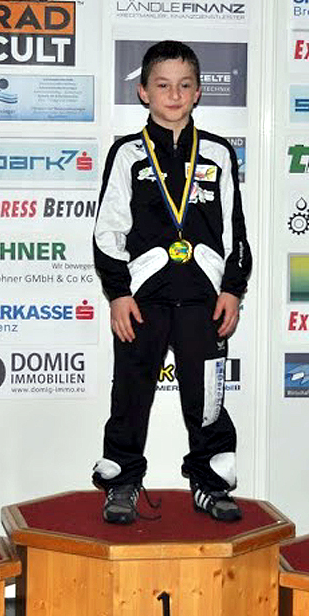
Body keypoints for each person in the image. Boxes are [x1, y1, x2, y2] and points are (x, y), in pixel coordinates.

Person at [92, 40, 251, 524]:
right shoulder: (127, 153)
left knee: (207, 399)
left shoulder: (218, 152)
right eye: (163, 85)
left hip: (204, 299)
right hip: (143, 300)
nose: (174, 95)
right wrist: (119, 293)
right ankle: (122, 482)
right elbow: (107, 230)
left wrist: (232, 288)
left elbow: (234, 230)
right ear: (143, 92)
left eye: (184, 85)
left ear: (198, 91)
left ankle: (210, 483)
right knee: (131, 394)